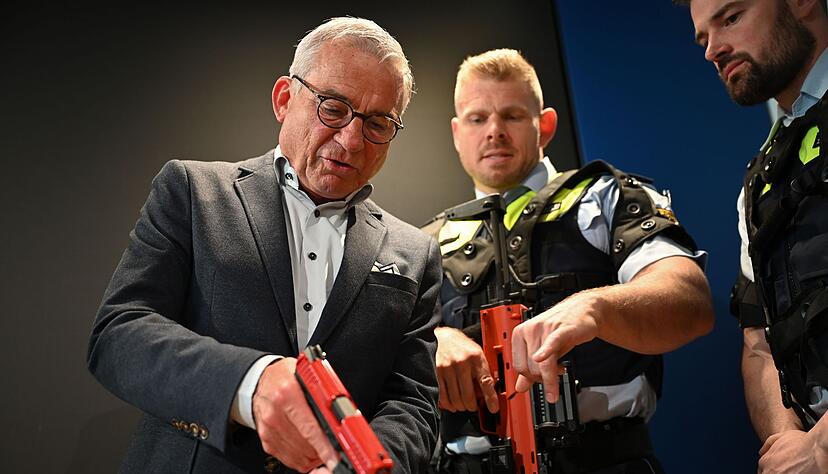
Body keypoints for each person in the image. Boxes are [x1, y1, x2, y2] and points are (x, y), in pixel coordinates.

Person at [87, 17, 441, 474]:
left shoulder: (415, 252)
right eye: (333, 108)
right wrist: (249, 384)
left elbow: (412, 401)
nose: (352, 140)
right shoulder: (193, 191)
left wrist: (364, 466)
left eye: (377, 123)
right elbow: (118, 335)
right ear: (284, 99)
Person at [423, 49, 714, 474]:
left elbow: (691, 302)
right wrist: (436, 339)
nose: (494, 131)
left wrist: (595, 307)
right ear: (456, 133)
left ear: (546, 125)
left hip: (605, 460)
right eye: (477, 118)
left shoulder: (607, 196)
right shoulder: (422, 244)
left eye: (513, 116)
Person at [680, 0, 828, 471]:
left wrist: (821, 448)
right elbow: (758, 341)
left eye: (731, 17)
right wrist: (788, 444)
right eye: (703, 38)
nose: (712, 51)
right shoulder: (757, 184)